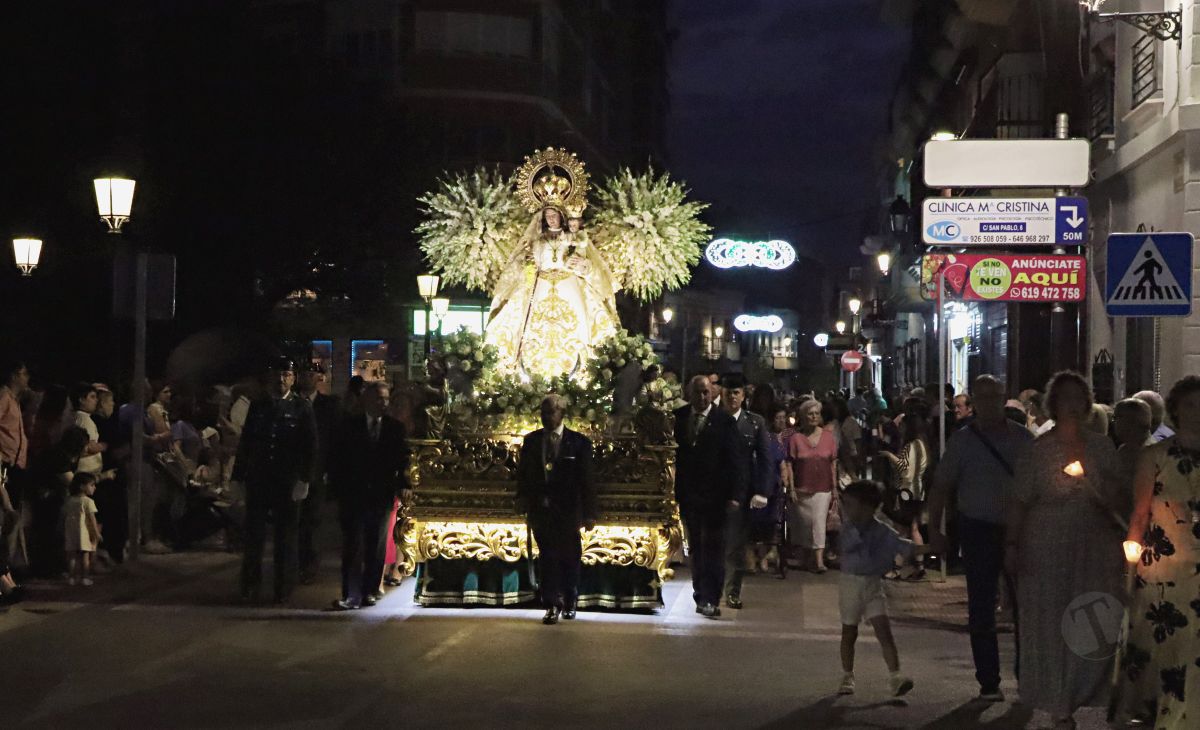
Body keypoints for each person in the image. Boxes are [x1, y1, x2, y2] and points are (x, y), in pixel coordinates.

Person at [1008, 371, 1123, 728]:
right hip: (1047, 543)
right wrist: (1011, 545)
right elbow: (1018, 502)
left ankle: (1087, 689)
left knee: (1093, 616)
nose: (1072, 405)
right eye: (1065, 398)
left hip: (1094, 545)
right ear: (1053, 405)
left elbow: (1119, 499)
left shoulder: (1102, 448)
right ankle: (1059, 699)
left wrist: (1097, 489)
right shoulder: (1038, 450)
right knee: (1051, 619)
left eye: (1078, 398)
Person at [927, 375, 1032, 702]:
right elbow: (941, 487)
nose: (989, 404)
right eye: (982, 398)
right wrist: (935, 529)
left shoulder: (1023, 440)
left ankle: (1027, 678)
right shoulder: (963, 441)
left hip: (1020, 531)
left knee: (1025, 607)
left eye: (994, 397)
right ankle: (989, 680)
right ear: (975, 402)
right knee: (982, 606)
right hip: (978, 529)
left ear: (1003, 399)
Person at [1111, 375, 1200, 728]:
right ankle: (1163, 709)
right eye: (1190, 405)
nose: (1197, 413)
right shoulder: (1155, 456)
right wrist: (1129, 570)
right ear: (1176, 410)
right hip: (1165, 569)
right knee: (1167, 645)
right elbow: (1140, 512)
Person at [232, 358, 318, 605]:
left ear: (292, 378)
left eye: (286, 375)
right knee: (254, 536)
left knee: (286, 537)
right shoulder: (259, 406)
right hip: (260, 478)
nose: (281, 379)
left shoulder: (301, 407)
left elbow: (310, 446)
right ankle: (250, 585)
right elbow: (247, 443)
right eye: (277, 374)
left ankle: (283, 587)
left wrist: (304, 478)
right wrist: (238, 477)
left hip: (286, 480)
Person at [516, 394, 597, 624]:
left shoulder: (579, 442)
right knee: (547, 557)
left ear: (562, 413)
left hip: (569, 510)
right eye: (543, 413)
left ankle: (570, 599)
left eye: (551, 412)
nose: (546, 417)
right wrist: (522, 498)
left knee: (570, 556)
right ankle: (551, 603)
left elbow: (587, 480)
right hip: (542, 509)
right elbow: (524, 475)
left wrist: (590, 513)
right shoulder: (532, 441)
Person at [329, 382, 410, 610]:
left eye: (386, 399)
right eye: (378, 399)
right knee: (353, 544)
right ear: (366, 400)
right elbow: (336, 459)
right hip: (353, 494)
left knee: (376, 545)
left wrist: (404, 484)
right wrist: (337, 488)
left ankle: (370, 590)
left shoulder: (395, 428)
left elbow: (403, 459)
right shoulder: (349, 426)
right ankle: (350, 594)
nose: (383, 403)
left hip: (381, 494)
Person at [836, 480, 917, 698]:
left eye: (850, 504)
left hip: (872, 583)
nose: (846, 509)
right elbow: (851, 546)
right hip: (850, 583)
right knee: (849, 632)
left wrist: (927, 548)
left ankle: (895, 676)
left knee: (884, 631)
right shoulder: (848, 529)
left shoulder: (881, 530)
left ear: (867, 507)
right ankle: (847, 674)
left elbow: (902, 545)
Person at [673, 375, 743, 618]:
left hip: (716, 496)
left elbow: (735, 461)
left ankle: (711, 597)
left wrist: (735, 494)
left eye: (706, 392)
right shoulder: (679, 418)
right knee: (695, 548)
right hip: (690, 495)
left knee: (713, 547)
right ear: (689, 393)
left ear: (712, 393)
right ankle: (699, 593)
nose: (702, 397)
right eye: (697, 393)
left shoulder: (723, 421)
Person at [719, 375, 771, 609]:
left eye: (736, 392)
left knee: (736, 544)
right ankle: (710, 589)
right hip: (713, 491)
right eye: (729, 392)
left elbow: (765, 459)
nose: (732, 396)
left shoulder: (755, 423)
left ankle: (732, 591)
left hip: (741, 492)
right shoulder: (713, 420)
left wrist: (762, 490)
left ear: (743, 396)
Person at [296, 365, 339, 584]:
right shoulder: (292, 403)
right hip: (295, 471)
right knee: (296, 519)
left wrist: (330, 471)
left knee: (313, 519)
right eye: (304, 374)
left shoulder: (329, 405)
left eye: (311, 374)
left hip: (318, 471)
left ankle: (310, 563)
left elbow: (333, 440)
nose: (307, 378)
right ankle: (296, 562)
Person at [879, 398, 929, 580]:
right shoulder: (922, 444)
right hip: (918, 491)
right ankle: (918, 565)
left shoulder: (911, 446)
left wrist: (890, 456)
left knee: (902, 530)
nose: (900, 429)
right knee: (913, 529)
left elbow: (904, 468)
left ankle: (897, 567)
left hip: (908, 492)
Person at [788, 398, 837, 573]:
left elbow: (833, 463)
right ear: (803, 416)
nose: (814, 416)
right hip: (802, 488)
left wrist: (835, 487)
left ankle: (819, 560)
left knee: (818, 522)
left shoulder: (828, 437)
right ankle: (806, 558)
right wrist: (791, 488)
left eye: (816, 413)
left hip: (823, 488)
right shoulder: (796, 438)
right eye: (810, 413)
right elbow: (790, 464)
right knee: (805, 525)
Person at [750, 406, 791, 577]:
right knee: (754, 525)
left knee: (772, 523)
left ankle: (768, 555)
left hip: (772, 490)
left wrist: (785, 483)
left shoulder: (773, 442)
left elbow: (782, 466)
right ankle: (757, 556)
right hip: (753, 489)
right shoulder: (750, 441)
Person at [1, 360, 30, 600]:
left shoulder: (16, 401)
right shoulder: (3, 397)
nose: (27, 378)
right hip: (4, 465)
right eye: (24, 373)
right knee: (5, 518)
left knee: (12, 518)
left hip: (15, 465)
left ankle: (10, 571)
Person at [64, 472, 101, 586]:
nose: (94, 487)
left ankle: (71, 577)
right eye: (91, 485)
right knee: (85, 556)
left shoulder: (69, 500)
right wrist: (96, 533)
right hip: (83, 532)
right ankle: (85, 577)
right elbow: (92, 519)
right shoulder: (88, 502)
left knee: (72, 557)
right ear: (82, 486)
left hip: (70, 532)